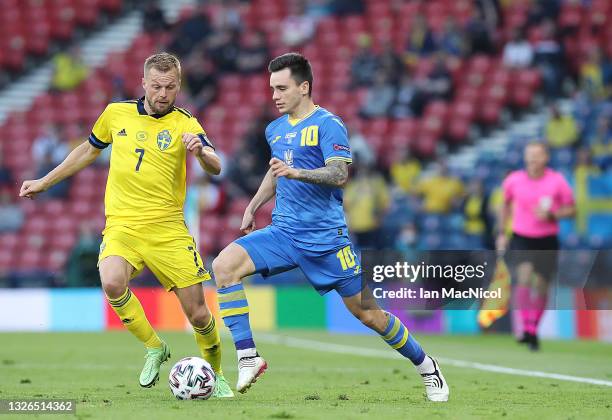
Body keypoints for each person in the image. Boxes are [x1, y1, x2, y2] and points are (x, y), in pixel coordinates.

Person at [211, 53, 449, 401]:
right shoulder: (274, 129)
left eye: (282, 88)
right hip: (284, 233)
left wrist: (298, 173)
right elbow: (276, 170)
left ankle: (428, 367)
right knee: (223, 266)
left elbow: (339, 174)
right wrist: (252, 206)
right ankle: (248, 357)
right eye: (271, 88)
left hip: (326, 241)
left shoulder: (328, 124)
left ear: (304, 87)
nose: (274, 96)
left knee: (369, 314)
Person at [19, 53, 233, 397]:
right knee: (112, 282)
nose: (163, 93)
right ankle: (154, 347)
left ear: (178, 86)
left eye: (171, 87)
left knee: (197, 314)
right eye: (157, 85)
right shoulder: (115, 113)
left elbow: (216, 165)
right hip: (123, 226)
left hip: (168, 229)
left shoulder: (185, 123)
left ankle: (218, 374)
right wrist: (45, 181)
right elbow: (87, 152)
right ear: (144, 82)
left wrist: (201, 153)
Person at [497, 142, 575, 351]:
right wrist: (502, 234)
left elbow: (572, 209)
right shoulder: (513, 181)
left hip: (547, 238)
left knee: (541, 285)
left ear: (546, 157)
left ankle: (533, 328)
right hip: (522, 237)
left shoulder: (557, 181)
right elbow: (504, 205)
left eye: (537, 155)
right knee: (523, 276)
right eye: (529, 154)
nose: (532, 159)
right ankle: (526, 326)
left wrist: (553, 214)